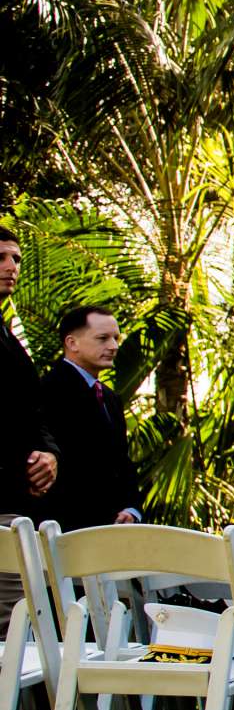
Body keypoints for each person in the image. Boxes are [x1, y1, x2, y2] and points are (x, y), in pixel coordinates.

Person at [36, 305, 142, 530]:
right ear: (72, 343)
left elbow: (121, 461)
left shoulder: (110, 398)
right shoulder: (48, 391)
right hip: (68, 529)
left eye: (116, 338)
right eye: (102, 338)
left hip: (114, 528)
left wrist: (131, 508)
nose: (113, 346)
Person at [0, 225, 60, 545]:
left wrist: (47, 455)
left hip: (17, 504)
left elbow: (32, 412)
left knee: (19, 596)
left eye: (16, 259)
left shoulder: (12, 341)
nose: (12, 267)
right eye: (1, 258)